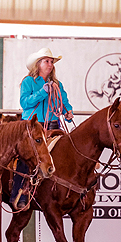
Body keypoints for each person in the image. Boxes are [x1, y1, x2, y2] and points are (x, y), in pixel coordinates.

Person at [10, 47, 73, 210]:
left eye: (51, 62)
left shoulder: (58, 84)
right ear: (38, 64)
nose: (50, 64)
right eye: (47, 61)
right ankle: (19, 192)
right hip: (32, 126)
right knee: (25, 157)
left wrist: (68, 111)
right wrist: (42, 92)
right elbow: (25, 103)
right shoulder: (28, 82)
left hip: (53, 125)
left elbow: (64, 100)